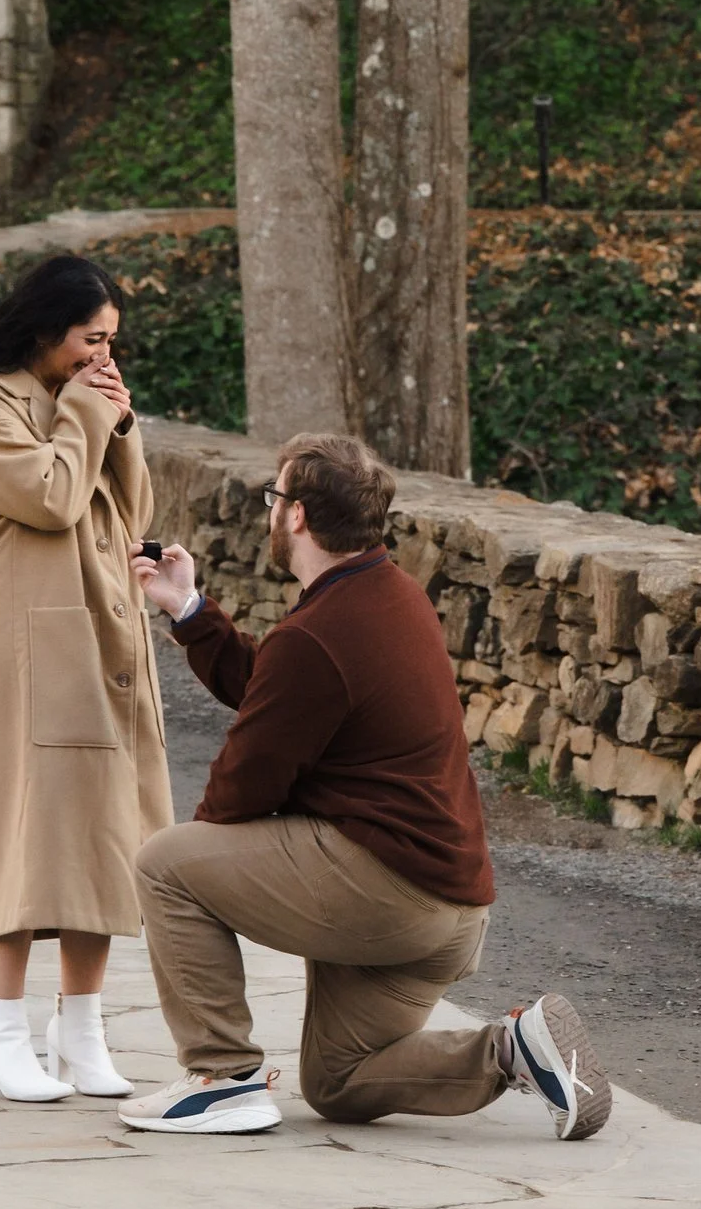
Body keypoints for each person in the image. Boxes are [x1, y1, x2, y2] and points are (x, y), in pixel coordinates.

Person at [122, 432, 610, 1139]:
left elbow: (236, 793)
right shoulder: (391, 594)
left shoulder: (320, 631)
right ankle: (516, 1046)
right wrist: (191, 610)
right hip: (450, 909)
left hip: (391, 896)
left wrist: (210, 876)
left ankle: (220, 1076)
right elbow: (282, 691)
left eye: (273, 496)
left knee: (167, 864)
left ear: (295, 515)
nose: (269, 511)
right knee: (339, 1079)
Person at [0, 254, 172, 1103]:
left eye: (112, 343)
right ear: (44, 330)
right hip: (26, 645)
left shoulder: (85, 402)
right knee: (26, 824)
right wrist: (85, 414)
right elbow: (57, 497)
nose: (103, 358)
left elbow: (129, 514)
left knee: (104, 828)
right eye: (89, 340)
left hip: (101, 634)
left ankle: (82, 1028)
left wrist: (119, 421)